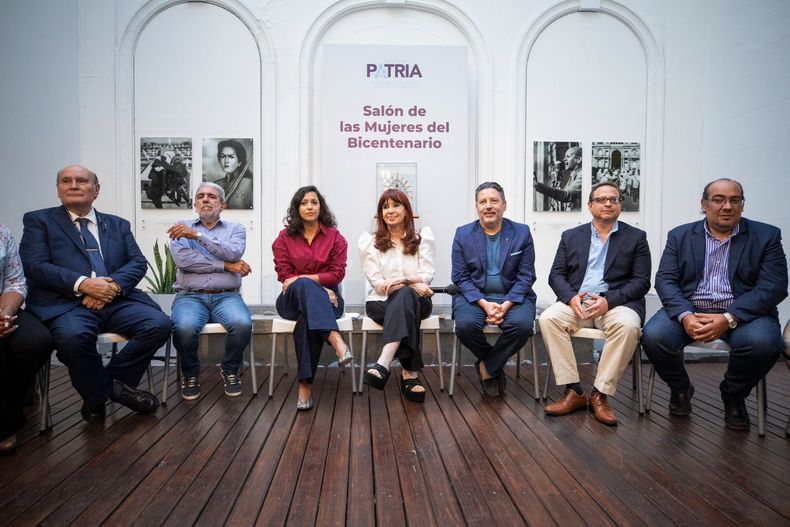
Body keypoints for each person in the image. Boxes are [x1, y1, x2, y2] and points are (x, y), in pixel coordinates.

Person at [20, 165, 171, 422]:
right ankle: (111, 392)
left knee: (159, 324)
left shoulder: (117, 224)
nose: (73, 185)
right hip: (67, 303)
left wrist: (109, 287)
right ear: (58, 190)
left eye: (81, 180)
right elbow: (34, 265)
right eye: (66, 181)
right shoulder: (39, 221)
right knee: (74, 338)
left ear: (96, 190)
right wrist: (83, 284)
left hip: (116, 300)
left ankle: (100, 389)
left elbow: (137, 262)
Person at [641, 178, 787, 430]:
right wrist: (685, 315)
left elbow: (773, 286)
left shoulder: (766, 236)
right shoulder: (680, 235)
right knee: (654, 337)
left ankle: (733, 395)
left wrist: (729, 318)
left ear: (742, 205)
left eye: (735, 200)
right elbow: (665, 279)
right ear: (704, 204)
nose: (727, 206)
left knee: (763, 344)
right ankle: (681, 389)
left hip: (745, 313)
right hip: (691, 307)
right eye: (719, 199)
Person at [540, 182, 651, 425]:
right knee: (548, 319)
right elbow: (555, 275)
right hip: (577, 301)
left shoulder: (636, 238)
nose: (608, 203)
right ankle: (574, 390)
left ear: (621, 205)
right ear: (590, 206)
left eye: (614, 199)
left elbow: (642, 282)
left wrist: (608, 301)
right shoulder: (571, 236)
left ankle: (600, 394)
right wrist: (571, 297)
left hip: (615, 302)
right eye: (601, 199)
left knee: (629, 326)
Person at [168, 182, 253, 400]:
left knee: (242, 323)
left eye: (212, 196)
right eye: (201, 196)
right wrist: (225, 266)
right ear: (195, 203)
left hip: (227, 296)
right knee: (184, 327)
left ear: (222, 204)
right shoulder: (180, 226)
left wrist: (197, 236)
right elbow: (184, 260)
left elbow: (233, 252)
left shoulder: (236, 229)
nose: (206, 199)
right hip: (190, 297)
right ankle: (190, 373)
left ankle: (230, 369)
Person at [451, 182, 536, 397]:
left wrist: (506, 305)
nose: (488, 206)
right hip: (475, 298)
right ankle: (493, 362)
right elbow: (460, 277)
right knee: (465, 325)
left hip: (512, 296)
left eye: (494, 201)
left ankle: (487, 367)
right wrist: (484, 304)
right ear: (477, 207)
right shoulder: (463, 234)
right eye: (483, 202)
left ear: (504, 205)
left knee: (523, 326)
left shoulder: (521, 233)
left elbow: (526, 276)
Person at [272, 185, 351, 410]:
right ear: (297, 208)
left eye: (314, 202)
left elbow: (338, 273)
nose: (309, 206)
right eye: (304, 202)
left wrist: (308, 282)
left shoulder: (335, 237)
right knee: (304, 287)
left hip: (329, 301)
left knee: (307, 322)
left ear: (321, 207)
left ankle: (305, 386)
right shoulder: (284, 238)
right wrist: (318, 287)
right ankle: (335, 339)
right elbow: (284, 274)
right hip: (291, 302)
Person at [359, 189, 435, 402]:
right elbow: (378, 284)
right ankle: (410, 374)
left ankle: (383, 362)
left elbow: (427, 276)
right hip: (380, 303)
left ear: (406, 210)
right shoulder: (371, 243)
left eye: (395, 205)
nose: (390, 211)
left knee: (405, 297)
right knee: (404, 299)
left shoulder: (421, 239)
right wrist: (411, 283)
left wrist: (404, 282)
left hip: (419, 301)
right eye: (385, 207)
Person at [0, 224, 53, 454]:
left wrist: (5, 314)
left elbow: (15, 281)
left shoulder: (2, 232)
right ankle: (5, 425)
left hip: (3, 306)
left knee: (37, 341)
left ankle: (8, 407)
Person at [534, 146, 582, 210]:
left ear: (578, 159)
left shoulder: (582, 175)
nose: (564, 159)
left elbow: (566, 195)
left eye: (568, 156)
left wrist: (538, 186)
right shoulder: (573, 175)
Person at [212, 139, 252, 209]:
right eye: (223, 156)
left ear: (239, 162)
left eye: (231, 157)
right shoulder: (216, 184)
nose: (226, 161)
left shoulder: (249, 183)